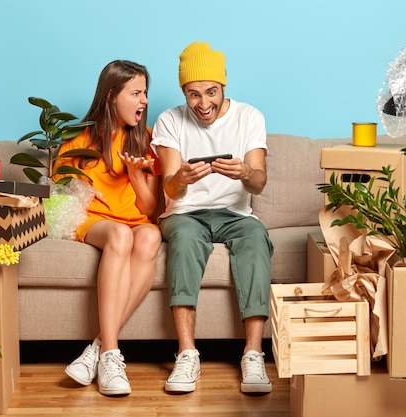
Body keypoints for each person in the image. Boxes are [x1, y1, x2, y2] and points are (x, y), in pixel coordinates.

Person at [150, 42, 273, 394]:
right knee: (186, 240)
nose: (203, 104)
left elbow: (260, 183)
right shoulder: (170, 120)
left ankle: (253, 354)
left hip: (236, 214)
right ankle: (187, 353)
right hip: (185, 214)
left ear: (224, 86)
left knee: (255, 238)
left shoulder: (250, 116)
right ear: (183, 93)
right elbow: (171, 192)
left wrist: (245, 172)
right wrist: (181, 179)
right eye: (194, 94)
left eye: (211, 92)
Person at [53, 60, 162, 396]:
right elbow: (59, 199)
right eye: (136, 93)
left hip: (133, 220)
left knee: (151, 235)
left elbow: (150, 209)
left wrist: (133, 174)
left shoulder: (147, 139)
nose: (144, 100)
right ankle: (113, 354)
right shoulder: (78, 138)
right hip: (94, 219)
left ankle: (96, 351)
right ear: (112, 95)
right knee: (120, 234)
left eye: (145, 93)